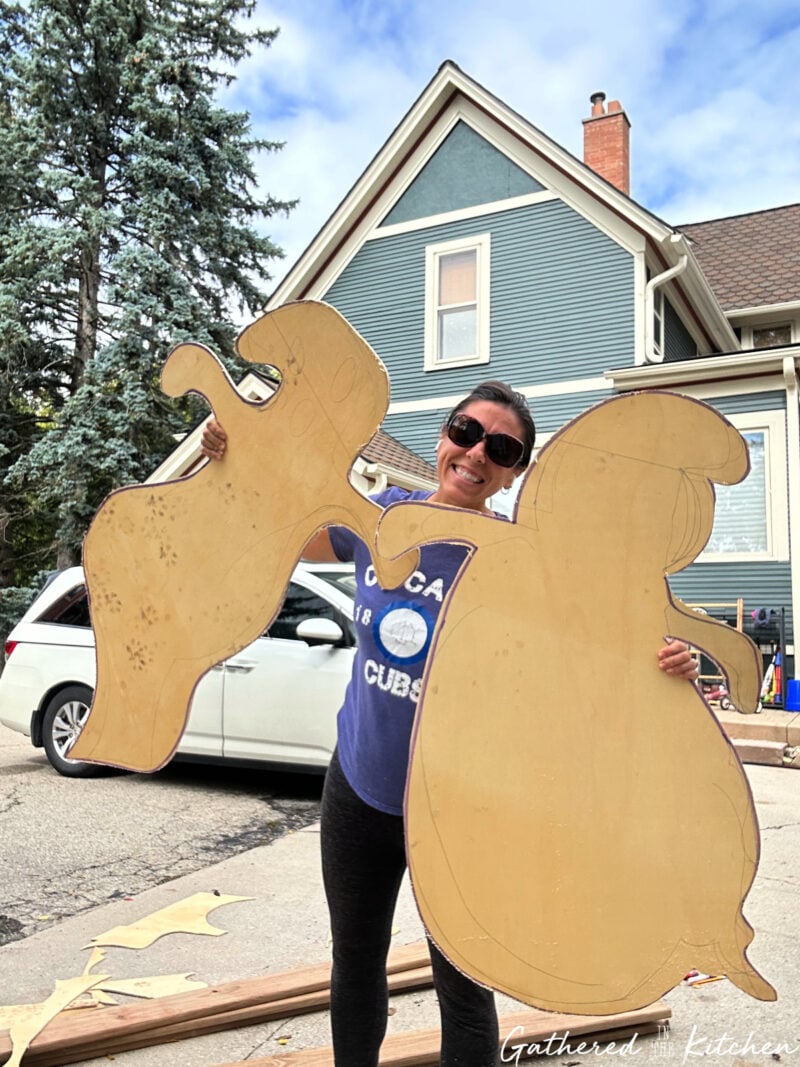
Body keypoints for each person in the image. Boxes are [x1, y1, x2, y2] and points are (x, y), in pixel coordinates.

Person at [201, 380, 698, 1066]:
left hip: (463, 811)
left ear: (515, 471)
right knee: (356, 964)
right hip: (360, 790)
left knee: (465, 984)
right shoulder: (381, 519)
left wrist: (668, 657)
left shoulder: (521, 558)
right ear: (444, 434)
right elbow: (278, 525)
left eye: (501, 447)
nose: (476, 453)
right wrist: (230, 461)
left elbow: (603, 647)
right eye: (466, 430)